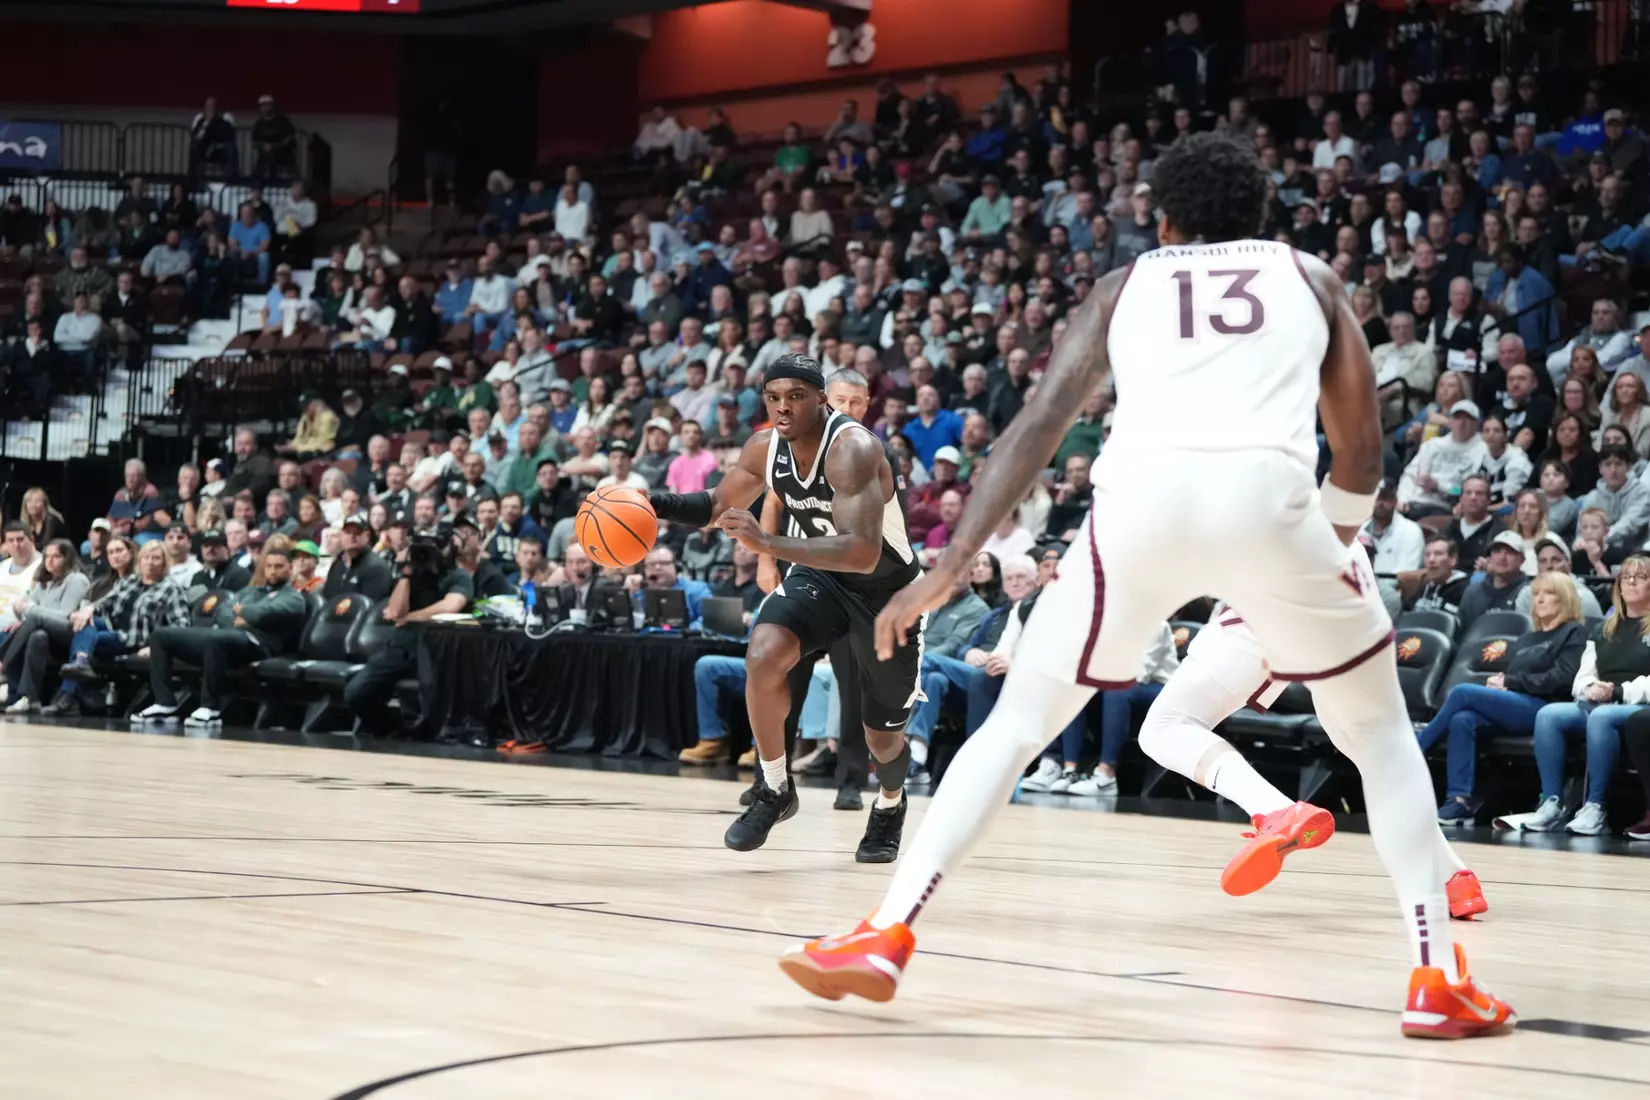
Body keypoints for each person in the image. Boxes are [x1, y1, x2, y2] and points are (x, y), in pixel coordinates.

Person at [783, 133, 1513, 1036]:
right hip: (1272, 503)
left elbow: (1036, 427)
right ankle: (1437, 979)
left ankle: (888, 930)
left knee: (1017, 726)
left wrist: (950, 561)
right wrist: (1324, 560)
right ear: (1261, 218)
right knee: (1382, 738)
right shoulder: (1313, 278)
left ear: (1163, 222)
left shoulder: (1122, 287)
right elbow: (1362, 455)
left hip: (1138, 508)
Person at [645, 353, 923, 863]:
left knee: (882, 739)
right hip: (819, 575)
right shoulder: (764, 446)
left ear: (822, 400)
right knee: (763, 654)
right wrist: (649, 502)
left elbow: (862, 552)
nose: (783, 408)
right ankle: (775, 788)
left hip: (886, 592)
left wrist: (768, 544)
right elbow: (716, 505)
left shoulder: (853, 449)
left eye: (796, 397)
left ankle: (890, 803)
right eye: (773, 397)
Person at [1526, 555, 1650, 835]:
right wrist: (1590, 688)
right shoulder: (1602, 629)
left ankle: (1595, 806)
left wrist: (1618, 691)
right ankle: (1551, 802)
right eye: (1626, 577)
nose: (1631, 582)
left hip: (1638, 706)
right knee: (1549, 715)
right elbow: (1582, 677)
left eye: (1640, 577)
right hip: (1602, 701)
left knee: (1602, 717)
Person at [132, 541, 309, 728]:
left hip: (257, 644)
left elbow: (262, 614)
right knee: (161, 636)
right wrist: (241, 617)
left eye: (279, 566)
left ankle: (211, 709)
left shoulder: (293, 597)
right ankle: (164, 703)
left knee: (215, 639)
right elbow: (221, 612)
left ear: (290, 568)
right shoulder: (251, 591)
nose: (273, 571)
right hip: (228, 638)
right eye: (269, 566)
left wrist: (244, 612)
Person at [342, 523, 472, 734]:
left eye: (437, 545)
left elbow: (451, 606)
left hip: (436, 649)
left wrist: (410, 617)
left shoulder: (458, 575)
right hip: (402, 646)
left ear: (451, 548)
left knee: (432, 695)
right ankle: (390, 727)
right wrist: (406, 575)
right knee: (356, 691)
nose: (430, 551)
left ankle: (428, 736)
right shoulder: (411, 576)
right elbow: (395, 612)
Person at [39, 541, 190, 717]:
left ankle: (68, 696)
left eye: (156, 558)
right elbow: (106, 602)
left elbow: (181, 626)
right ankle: (80, 663)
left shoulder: (171, 589)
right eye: (146, 557)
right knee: (88, 621)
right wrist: (89, 609)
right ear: (140, 560)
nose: (150, 562)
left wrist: (156, 647)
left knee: (90, 639)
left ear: (164, 563)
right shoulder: (130, 581)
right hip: (115, 632)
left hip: (138, 641)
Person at [1456, 531, 1530, 629]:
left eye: (1510, 552)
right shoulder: (1472, 592)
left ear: (1522, 560)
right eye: (1497, 551)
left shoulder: (1528, 594)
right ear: (1489, 557)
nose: (1502, 557)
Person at [189, 528, 251, 593]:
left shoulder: (239, 575)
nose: (210, 549)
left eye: (216, 545)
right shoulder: (198, 577)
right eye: (206, 545)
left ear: (227, 549)